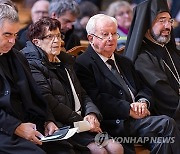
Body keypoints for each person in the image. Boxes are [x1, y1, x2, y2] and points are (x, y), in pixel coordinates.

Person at [74, 13, 180, 154]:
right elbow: (97, 99)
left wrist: (143, 102)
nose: (111, 39)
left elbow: (144, 88)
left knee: (163, 140)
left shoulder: (124, 61)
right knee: (166, 124)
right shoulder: (83, 64)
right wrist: (129, 109)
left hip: (138, 120)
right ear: (91, 38)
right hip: (115, 122)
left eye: (114, 34)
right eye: (105, 34)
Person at [21, 17, 124, 154]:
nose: (57, 40)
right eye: (50, 37)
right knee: (100, 151)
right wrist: (83, 122)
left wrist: (92, 114)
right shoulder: (31, 64)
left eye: (58, 35)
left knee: (117, 148)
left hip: (80, 122)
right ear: (37, 42)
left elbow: (82, 93)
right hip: (62, 125)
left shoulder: (65, 61)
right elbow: (48, 100)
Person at [0, 4, 77, 154]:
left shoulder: (17, 56)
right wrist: (16, 127)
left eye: (15, 35)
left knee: (65, 149)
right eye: (7, 35)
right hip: (5, 128)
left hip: (29, 123)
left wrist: (48, 119)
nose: (12, 41)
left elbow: (36, 93)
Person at [124, 0, 180, 129]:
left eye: (170, 21)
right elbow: (163, 93)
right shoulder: (142, 58)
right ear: (146, 24)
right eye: (161, 20)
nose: (168, 26)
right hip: (166, 117)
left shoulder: (173, 51)